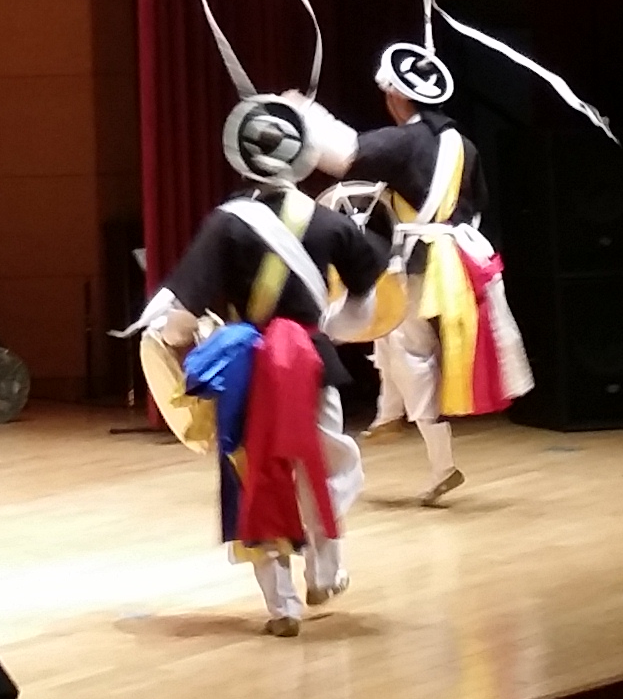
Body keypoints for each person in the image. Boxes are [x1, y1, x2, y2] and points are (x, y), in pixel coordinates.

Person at [139, 94, 390, 636]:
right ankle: (326, 570)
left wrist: (174, 346)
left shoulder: (226, 225)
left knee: (253, 475)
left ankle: (283, 607)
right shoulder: (327, 222)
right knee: (321, 463)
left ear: (241, 156)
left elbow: (180, 315)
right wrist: (332, 327)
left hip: (247, 370)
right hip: (314, 362)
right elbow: (367, 295)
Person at [349, 41, 534, 507]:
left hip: (421, 262)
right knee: (393, 338)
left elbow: (342, 154)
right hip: (456, 257)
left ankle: (441, 464)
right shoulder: (464, 145)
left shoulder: (402, 141)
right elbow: (479, 204)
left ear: (395, 94)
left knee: (409, 350)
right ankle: (389, 414)